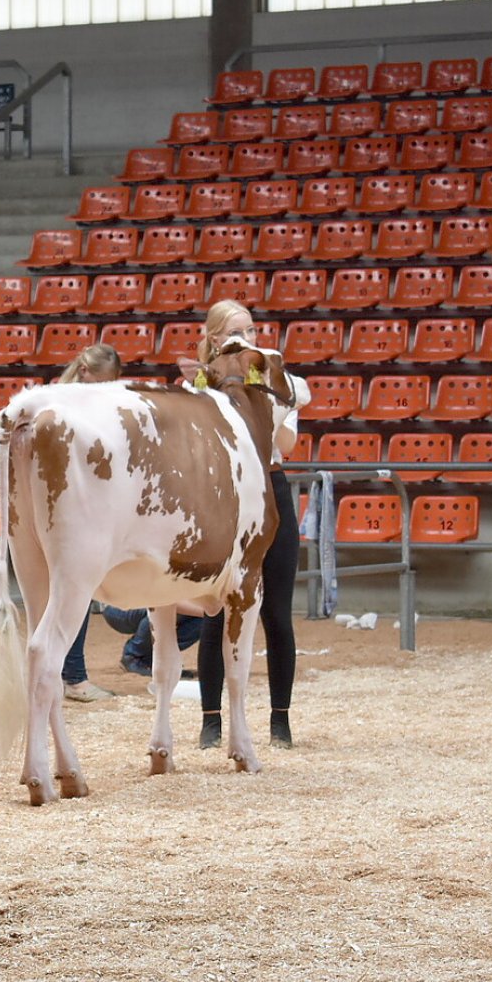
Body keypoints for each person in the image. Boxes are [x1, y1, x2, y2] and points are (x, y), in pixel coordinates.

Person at [180, 299, 310, 750]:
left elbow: (287, 443)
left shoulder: (275, 378)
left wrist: (267, 389)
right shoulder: (195, 384)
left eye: (252, 331)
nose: (248, 340)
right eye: (237, 333)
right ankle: (211, 720)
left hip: (271, 485)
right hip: (223, 495)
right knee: (217, 610)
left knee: (276, 611)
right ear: (214, 339)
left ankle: (280, 720)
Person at [54, 345, 122, 702]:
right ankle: (73, 677)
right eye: (98, 381)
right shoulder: (62, 405)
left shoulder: (66, 400)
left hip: (82, 507)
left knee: (70, 594)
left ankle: (65, 674)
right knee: (73, 594)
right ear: (83, 370)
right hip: (71, 508)